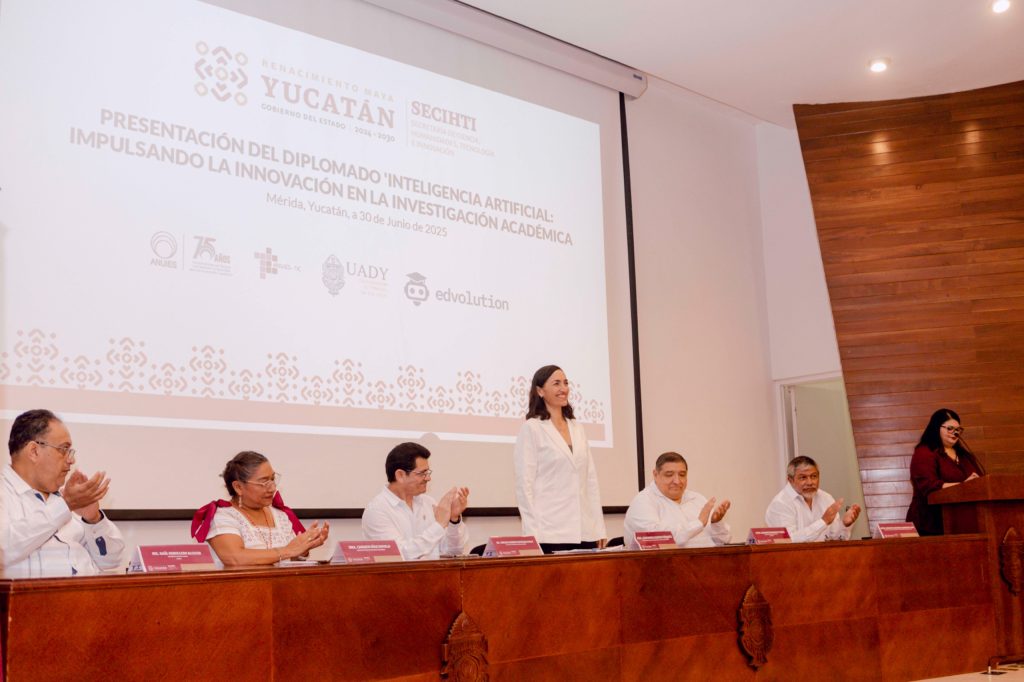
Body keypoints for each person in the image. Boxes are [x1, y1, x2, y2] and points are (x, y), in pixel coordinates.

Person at [2, 408, 126, 577]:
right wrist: (65, 505)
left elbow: (111, 561)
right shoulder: (5, 493)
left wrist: (93, 519)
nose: (71, 460)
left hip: (87, 592)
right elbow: (3, 549)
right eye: (63, 449)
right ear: (34, 451)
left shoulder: (64, 498)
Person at [513, 364, 607, 553]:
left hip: (584, 531)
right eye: (556, 383)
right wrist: (532, 533)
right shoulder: (532, 428)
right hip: (549, 532)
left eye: (565, 383)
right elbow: (524, 485)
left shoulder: (577, 428)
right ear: (540, 391)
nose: (563, 388)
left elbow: (590, 481)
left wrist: (599, 527)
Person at [191, 451, 329, 566]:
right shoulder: (222, 517)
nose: (272, 488)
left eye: (272, 479)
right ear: (238, 487)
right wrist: (288, 550)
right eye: (264, 482)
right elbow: (235, 558)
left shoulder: (280, 516)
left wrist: (303, 549)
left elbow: (290, 560)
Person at [361, 442, 470, 560]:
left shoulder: (428, 502)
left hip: (435, 572)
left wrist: (453, 520)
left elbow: (453, 551)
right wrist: (439, 525)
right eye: (422, 473)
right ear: (400, 475)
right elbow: (399, 556)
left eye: (427, 472)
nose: (428, 478)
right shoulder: (377, 511)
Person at [624, 451, 731, 549]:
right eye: (669, 475)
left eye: (682, 475)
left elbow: (723, 541)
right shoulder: (643, 502)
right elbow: (659, 540)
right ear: (656, 475)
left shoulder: (697, 499)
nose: (677, 481)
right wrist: (698, 523)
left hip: (709, 561)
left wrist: (716, 523)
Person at [906, 408, 985, 535]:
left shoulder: (965, 455)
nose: (955, 433)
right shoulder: (924, 452)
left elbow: (981, 481)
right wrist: (964, 486)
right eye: (950, 428)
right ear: (936, 428)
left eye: (958, 430)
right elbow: (929, 486)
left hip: (964, 523)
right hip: (931, 525)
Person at [765, 455, 861, 542]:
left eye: (814, 476)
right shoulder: (780, 504)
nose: (810, 482)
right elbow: (789, 541)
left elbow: (835, 538)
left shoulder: (826, 498)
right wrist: (823, 522)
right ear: (790, 480)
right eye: (803, 478)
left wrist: (844, 525)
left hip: (825, 555)